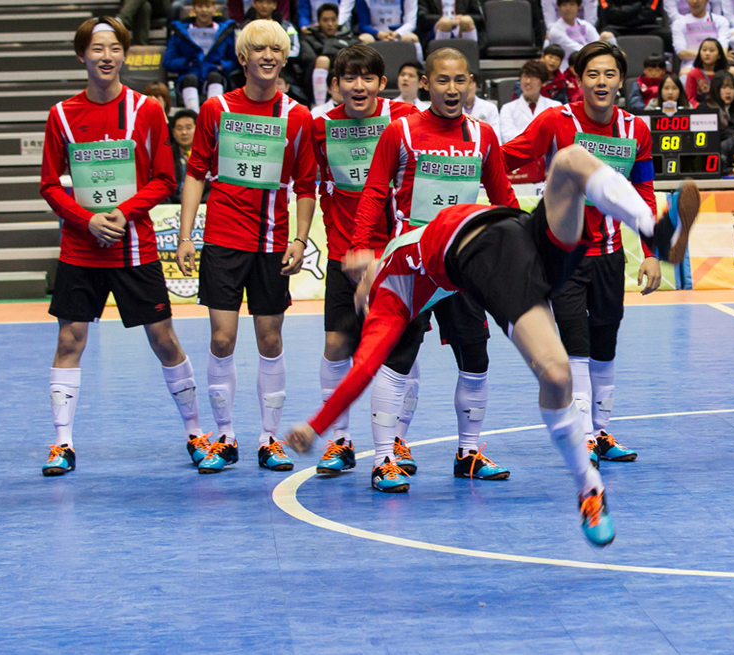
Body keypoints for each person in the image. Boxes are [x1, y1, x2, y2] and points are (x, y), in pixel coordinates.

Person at [286, 145, 698, 546]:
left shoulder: (391, 252)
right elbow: (363, 367)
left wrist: (364, 255)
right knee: (557, 377)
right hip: (485, 259)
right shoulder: (388, 303)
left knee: (569, 160)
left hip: (520, 231)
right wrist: (316, 426)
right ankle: (589, 487)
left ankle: (654, 231)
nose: (358, 288)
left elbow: (383, 220)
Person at [503, 42, 694, 466]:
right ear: (578, 80)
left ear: (621, 80)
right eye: (592, 74)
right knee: (576, 344)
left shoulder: (636, 129)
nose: (601, 82)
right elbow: (506, 157)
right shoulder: (556, 121)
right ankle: (585, 436)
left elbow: (644, 189)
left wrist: (648, 254)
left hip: (611, 253)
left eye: (609, 74)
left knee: (605, 344)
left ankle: (601, 432)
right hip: (566, 255)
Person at [341, 47, 520, 484]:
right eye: (442, 80)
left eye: (460, 80)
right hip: (410, 264)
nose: (452, 89)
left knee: (475, 356)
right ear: (426, 84)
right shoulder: (399, 132)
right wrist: (361, 248)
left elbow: (505, 200)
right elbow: (374, 192)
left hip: (460, 266)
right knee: (397, 359)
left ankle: (469, 453)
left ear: (472, 84)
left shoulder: (483, 136)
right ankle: (384, 459)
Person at [38, 17, 193, 477]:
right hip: (80, 248)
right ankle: (62, 444)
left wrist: (123, 213)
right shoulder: (61, 115)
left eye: (114, 49)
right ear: (81, 55)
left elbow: (164, 178)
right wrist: (86, 219)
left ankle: (196, 433)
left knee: (164, 340)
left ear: (125, 55)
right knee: (69, 340)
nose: (106, 57)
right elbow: (50, 185)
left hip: (135, 247)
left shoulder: (146, 110)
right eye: (97, 48)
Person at [174, 18, 317, 474]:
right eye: (259, 49)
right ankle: (225, 435)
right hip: (223, 239)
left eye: (276, 49)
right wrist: (185, 234)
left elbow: (306, 185)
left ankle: (269, 439)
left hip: (272, 242)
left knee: (270, 338)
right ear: (242, 58)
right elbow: (196, 173)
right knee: (222, 338)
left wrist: (300, 238)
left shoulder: (297, 116)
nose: (268, 56)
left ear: (285, 57)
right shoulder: (216, 109)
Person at [307, 44, 418, 472]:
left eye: (367, 78)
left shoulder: (403, 119)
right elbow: (317, 185)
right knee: (336, 345)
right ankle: (339, 441)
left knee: (401, 350)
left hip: (397, 256)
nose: (359, 86)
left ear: (381, 83)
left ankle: (398, 439)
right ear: (335, 84)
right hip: (346, 254)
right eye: (349, 78)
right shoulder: (320, 126)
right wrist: (342, 241)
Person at [164, 0, 239, 112]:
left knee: (215, 77)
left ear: (214, 9)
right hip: (190, 75)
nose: (204, 10)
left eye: (207, 6)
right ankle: (193, 115)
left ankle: (213, 115)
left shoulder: (226, 31)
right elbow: (168, 62)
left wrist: (223, 66)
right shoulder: (180, 31)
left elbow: (235, 60)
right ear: (193, 9)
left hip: (215, 74)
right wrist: (186, 63)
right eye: (200, 6)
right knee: (190, 79)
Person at [671, 0, 733, 74]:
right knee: (684, 74)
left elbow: (723, 49)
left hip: (717, 67)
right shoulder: (679, 23)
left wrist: (711, 57)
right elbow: (682, 53)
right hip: (690, 66)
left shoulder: (720, 21)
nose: (695, 1)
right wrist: (712, 55)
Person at [301, 3, 356, 107]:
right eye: (325, 20)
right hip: (314, 75)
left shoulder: (347, 37)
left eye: (333, 20)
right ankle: (319, 105)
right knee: (323, 60)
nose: (330, 24)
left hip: (342, 70)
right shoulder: (309, 38)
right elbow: (307, 58)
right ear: (319, 22)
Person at [501, 61, 561, 142]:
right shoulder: (508, 109)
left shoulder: (555, 107)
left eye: (533, 77)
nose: (528, 81)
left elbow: (557, 136)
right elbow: (508, 138)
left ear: (544, 82)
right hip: (518, 149)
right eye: (525, 76)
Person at [547, 0, 603, 72]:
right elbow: (578, 50)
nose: (568, 8)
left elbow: (598, 43)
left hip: (589, 63)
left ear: (579, 6)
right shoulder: (555, 31)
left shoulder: (585, 24)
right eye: (564, 5)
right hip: (567, 70)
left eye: (572, 4)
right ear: (558, 7)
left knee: (607, 36)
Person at [169, 109, 204, 204]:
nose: (184, 132)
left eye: (188, 128)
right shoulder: (166, 156)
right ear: (173, 132)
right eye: (179, 128)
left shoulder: (208, 155)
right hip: (171, 206)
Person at [685, 37, 732, 106]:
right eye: (704, 50)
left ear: (719, 55)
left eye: (711, 50)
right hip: (700, 109)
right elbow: (690, 98)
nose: (707, 53)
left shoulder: (725, 74)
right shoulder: (693, 74)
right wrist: (702, 108)